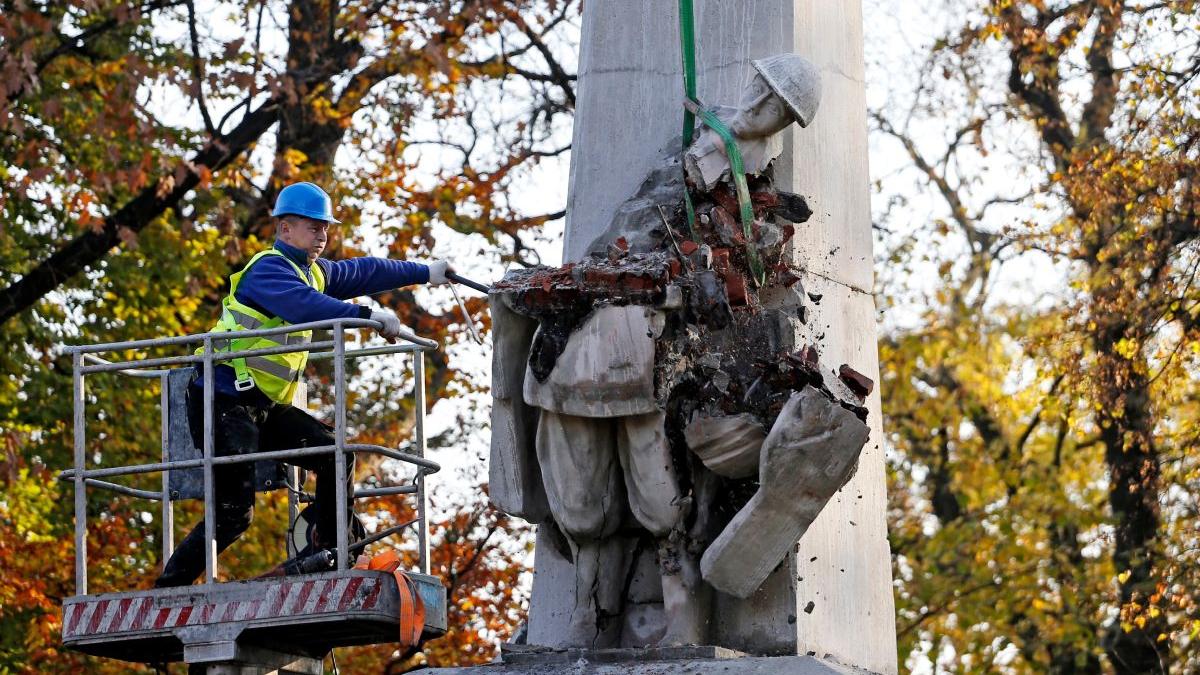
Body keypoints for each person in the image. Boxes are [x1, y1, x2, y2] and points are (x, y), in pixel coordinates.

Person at [155, 181, 452, 587]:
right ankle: (170, 587)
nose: (323, 236)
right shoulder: (268, 271)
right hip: (221, 402)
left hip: (261, 405)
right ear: (285, 230)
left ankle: (331, 552)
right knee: (233, 514)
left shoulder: (312, 273)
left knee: (335, 453)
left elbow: (365, 270)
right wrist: (365, 314)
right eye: (314, 228)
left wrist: (426, 272)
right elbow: (303, 307)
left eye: (325, 228)